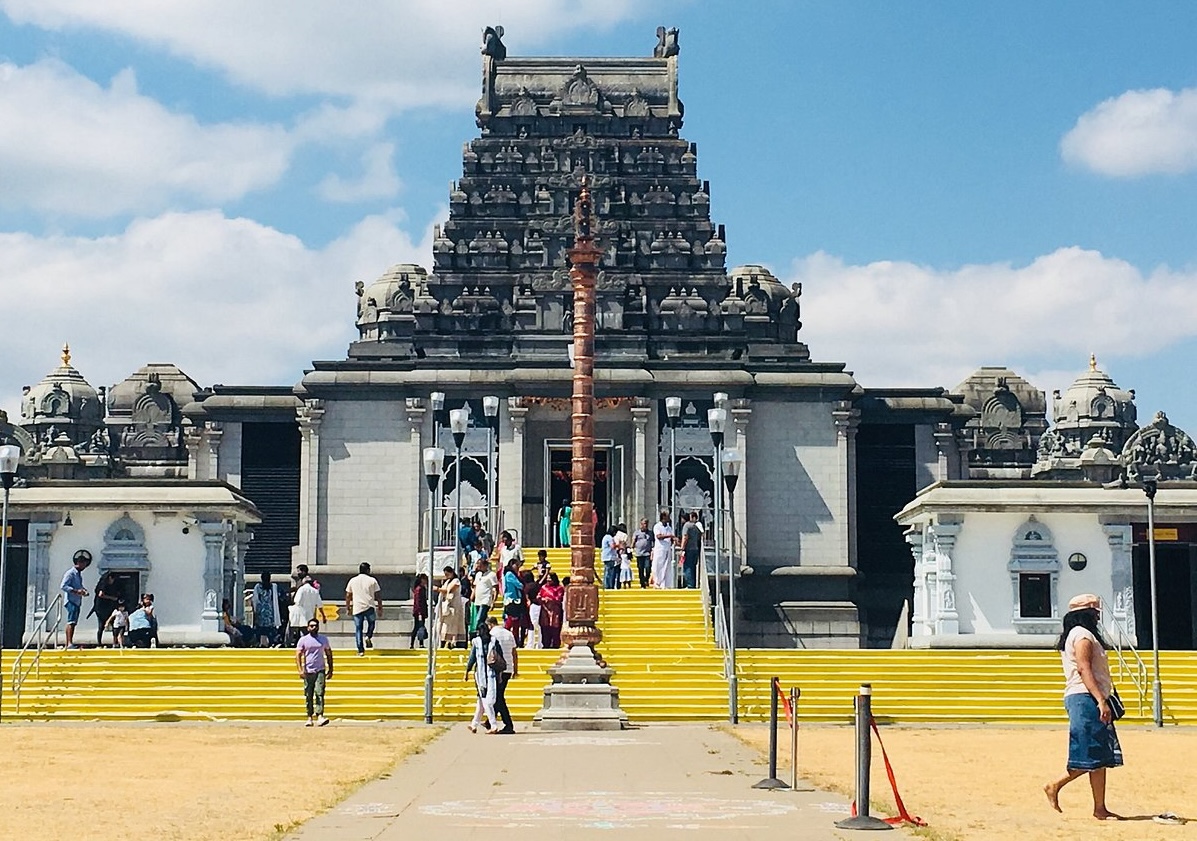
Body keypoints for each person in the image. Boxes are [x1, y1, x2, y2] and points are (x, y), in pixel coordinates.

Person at [1043, 594, 1123, 821]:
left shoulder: (1078, 635)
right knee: (1089, 753)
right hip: (1085, 697)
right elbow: (1084, 669)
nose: (1098, 616)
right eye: (1094, 612)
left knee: (1100, 754)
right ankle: (1055, 784)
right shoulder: (1082, 636)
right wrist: (1100, 699)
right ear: (1085, 614)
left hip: (1086, 696)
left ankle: (1100, 807)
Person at [295, 618, 333, 727]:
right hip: (308, 670)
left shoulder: (323, 639)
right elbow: (298, 655)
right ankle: (309, 717)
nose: (314, 628)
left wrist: (330, 668)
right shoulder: (303, 640)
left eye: (315, 625)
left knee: (319, 692)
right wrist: (300, 669)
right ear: (308, 627)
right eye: (311, 626)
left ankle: (320, 715)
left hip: (320, 669)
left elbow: (329, 653)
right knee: (308, 694)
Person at [464, 622, 497, 733]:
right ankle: (474, 724)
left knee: (485, 700)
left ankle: (493, 724)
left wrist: (467, 671)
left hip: (481, 675)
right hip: (491, 674)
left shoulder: (477, 642)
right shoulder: (493, 641)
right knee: (481, 700)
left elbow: (472, 658)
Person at [486, 616, 518, 733]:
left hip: (497, 669)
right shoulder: (509, 634)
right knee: (498, 695)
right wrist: (515, 668)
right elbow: (514, 652)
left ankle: (508, 724)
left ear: (490, 625)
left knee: (498, 697)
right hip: (508, 668)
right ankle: (489, 721)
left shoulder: (492, 635)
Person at [345, 562, 382, 656]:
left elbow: (348, 595)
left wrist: (348, 607)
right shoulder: (372, 580)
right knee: (372, 623)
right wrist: (380, 607)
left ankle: (360, 650)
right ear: (367, 570)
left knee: (358, 629)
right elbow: (378, 595)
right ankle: (368, 636)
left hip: (357, 607)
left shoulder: (353, 580)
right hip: (369, 605)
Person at [60, 549, 92, 649]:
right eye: (84, 565)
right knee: (71, 621)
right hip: (71, 601)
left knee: (74, 622)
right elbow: (63, 586)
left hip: (77, 601)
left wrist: (83, 590)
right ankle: (69, 643)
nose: (84, 567)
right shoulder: (70, 573)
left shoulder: (78, 574)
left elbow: (79, 585)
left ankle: (70, 642)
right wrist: (76, 591)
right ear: (79, 562)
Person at [288, 574, 325, 646]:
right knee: (307, 633)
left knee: (292, 631)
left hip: (299, 615)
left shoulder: (301, 589)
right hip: (309, 616)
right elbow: (320, 605)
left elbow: (297, 601)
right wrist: (323, 616)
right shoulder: (315, 591)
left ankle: (289, 645)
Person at [248, 572, 282, 647]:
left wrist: (255, 610)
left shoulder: (258, 587)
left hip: (262, 612)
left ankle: (261, 642)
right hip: (270, 611)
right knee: (269, 629)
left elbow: (255, 600)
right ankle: (270, 642)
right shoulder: (273, 586)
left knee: (261, 629)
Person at [89, 571, 121, 646]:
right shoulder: (103, 584)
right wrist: (112, 598)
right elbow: (101, 594)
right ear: (110, 578)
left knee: (112, 625)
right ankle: (101, 643)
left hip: (108, 608)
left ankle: (113, 642)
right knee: (102, 625)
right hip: (101, 608)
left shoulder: (111, 586)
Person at [437, 566, 466, 648]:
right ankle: (445, 642)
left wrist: (437, 589)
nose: (446, 576)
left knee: (453, 626)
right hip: (447, 606)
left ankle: (452, 642)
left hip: (454, 607)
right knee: (445, 626)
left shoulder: (456, 581)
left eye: (447, 574)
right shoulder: (447, 582)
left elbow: (449, 590)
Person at [537, 571, 564, 649]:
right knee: (545, 628)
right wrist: (542, 599)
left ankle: (555, 645)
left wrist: (550, 599)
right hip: (545, 611)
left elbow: (559, 598)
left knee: (555, 629)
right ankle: (546, 644)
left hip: (555, 611)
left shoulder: (559, 588)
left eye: (550, 578)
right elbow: (538, 596)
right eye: (547, 578)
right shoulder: (543, 587)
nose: (548, 580)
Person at [651, 510, 676, 589]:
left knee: (666, 566)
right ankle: (656, 582)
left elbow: (671, 537)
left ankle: (665, 584)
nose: (669, 518)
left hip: (667, 549)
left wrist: (673, 540)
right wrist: (669, 536)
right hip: (659, 549)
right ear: (663, 517)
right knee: (658, 565)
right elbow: (658, 536)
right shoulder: (657, 526)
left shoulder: (669, 527)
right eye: (667, 516)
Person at [680, 511, 704, 589]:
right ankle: (693, 584)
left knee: (688, 566)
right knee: (693, 566)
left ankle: (690, 584)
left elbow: (685, 537)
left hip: (689, 549)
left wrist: (682, 548)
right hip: (696, 548)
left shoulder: (687, 526)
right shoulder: (696, 526)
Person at [502, 557, 525, 636]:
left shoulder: (513, 574)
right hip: (511, 599)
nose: (518, 567)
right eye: (516, 565)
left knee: (516, 621)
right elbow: (519, 585)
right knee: (512, 619)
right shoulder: (509, 574)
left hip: (515, 599)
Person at [632, 518, 653, 589]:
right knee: (640, 569)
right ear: (641, 524)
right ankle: (642, 583)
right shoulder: (637, 533)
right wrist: (631, 548)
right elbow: (633, 541)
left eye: (646, 523)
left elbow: (653, 541)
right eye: (644, 523)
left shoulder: (650, 533)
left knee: (648, 568)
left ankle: (646, 579)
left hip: (647, 553)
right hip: (639, 554)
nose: (645, 525)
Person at [410, 573, 429, 648]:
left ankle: (420, 643)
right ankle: (413, 643)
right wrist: (420, 613)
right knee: (418, 627)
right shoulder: (419, 589)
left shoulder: (422, 588)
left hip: (420, 611)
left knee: (420, 626)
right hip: (419, 612)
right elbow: (418, 602)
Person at [600, 525, 619, 590]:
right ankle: (608, 585)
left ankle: (607, 584)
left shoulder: (606, 537)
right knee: (609, 572)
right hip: (609, 557)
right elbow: (612, 546)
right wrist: (619, 545)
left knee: (607, 571)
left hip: (607, 556)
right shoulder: (609, 537)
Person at [615, 522, 632, 589]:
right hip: (624, 558)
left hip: (618, 553)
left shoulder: (616, 535)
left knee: (619, 572)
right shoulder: (624, 535)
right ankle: (626, 585)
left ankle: (619, 585)